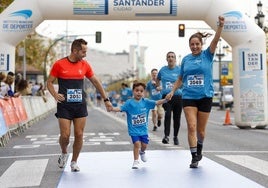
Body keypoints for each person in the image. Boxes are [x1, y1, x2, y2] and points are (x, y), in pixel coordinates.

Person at [166, 16, 225, 168]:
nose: (194, 47)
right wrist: (173, 91)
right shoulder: (185, 60)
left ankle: (199, 148)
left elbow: (216, 40)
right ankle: (193, 157)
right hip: (189, 96)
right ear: (189, 45)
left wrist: (220, 26)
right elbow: (180, 78)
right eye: (192, 44)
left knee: (201, 132)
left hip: (205, 96)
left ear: (201, 44)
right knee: (191, 126)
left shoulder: (208, 55)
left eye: (197, 44)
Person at [46, 38, 113, 172]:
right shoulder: (59, 64)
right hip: (64, 105)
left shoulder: (85, 65)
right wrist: (55, 94)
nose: (85, 54)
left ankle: (74, 162)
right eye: (83, 51)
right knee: (65, 135)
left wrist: (106, 99)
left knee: (79, 134)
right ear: (75, 51)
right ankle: (64, 152)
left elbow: (95, 81)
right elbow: (49, 82)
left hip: (80, 105)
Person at [110, 81, 168, 169]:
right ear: (133, 91)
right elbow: (120, 108)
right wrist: (112, 109)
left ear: (144, 92)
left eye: (141, 91)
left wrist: (166, 100)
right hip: (133, 130)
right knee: (137, 144)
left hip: (143, 130)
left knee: (144, 145)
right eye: (137, 90)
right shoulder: (129, 103)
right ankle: (136, 161)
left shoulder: (146, 102)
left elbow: (156, 102)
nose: (139, 93)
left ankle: (142, 152)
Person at [156, 51, 183, 145]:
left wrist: (180, 87)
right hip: (166, 97)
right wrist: (158, 86)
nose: (171, 58)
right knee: (167, 114)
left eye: (172, 57)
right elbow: (158, 79)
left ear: (175, 59)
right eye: (169, 57)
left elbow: (183, 81)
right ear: (166, 59)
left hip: (178, 96)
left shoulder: (179, 70)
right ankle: (166, 136)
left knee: (177, 117)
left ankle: (175, 136)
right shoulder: (163, 70)